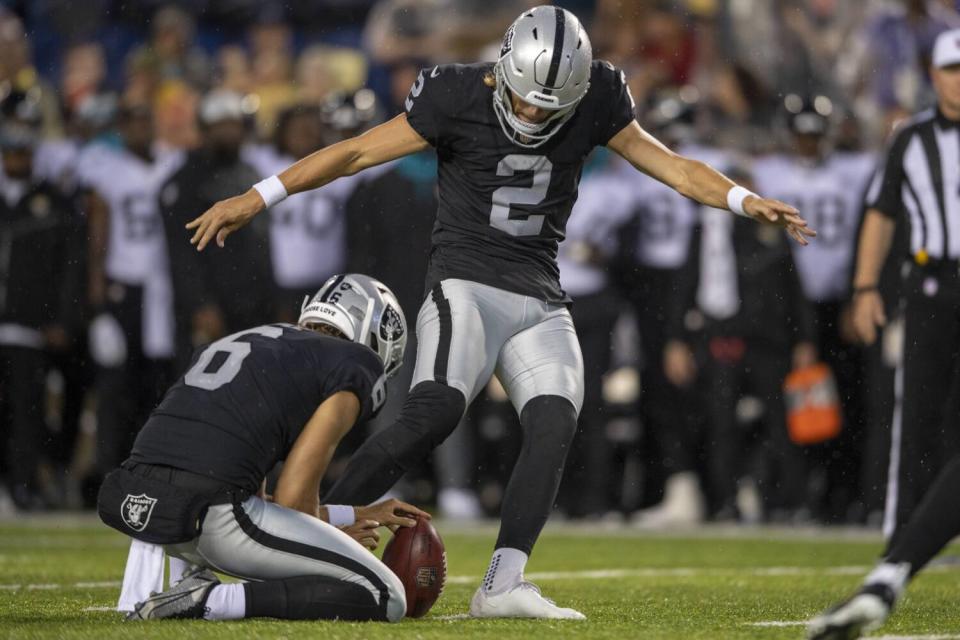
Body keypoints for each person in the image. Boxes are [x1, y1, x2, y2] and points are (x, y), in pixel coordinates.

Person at [185, 6, 813, 619]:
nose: (535, 111)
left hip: (541, 290)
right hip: (466, 279)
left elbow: (674, 168)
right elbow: (353, 153)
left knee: (553, 423)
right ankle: (300, 538)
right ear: (503, 69)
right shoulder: (455, 92)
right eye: (525, 98)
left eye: (550, 103)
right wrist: (258, 195)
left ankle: (503, 583)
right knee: (432, 415)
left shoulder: (598, 93)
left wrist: (742, 199)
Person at [98, 274, 423, 622]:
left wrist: (355, 514)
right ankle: (210, 600)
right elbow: (292, 501)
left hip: (144, 507)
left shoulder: (256, 341)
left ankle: (191, 582)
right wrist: (336, 539)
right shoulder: (355, 364)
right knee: (386, 594)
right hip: (206, 514)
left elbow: (261, 505)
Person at [807, 28, 960, 640]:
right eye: (951, 69)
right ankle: (901, 546)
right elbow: (882, 212)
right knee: (917, 414)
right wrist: (866, 287)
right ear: (934, 74)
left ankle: (897, 566)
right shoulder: (912, 139)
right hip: (928, 287)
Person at [82, 102, 184, 492]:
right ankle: (111, 470)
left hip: (164, 286)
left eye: (146, 120)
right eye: (133, 121)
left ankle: (153, 470)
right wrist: (97, 300)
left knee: (159, 381)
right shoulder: (106, 167)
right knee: (116, 383)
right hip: (125, 285)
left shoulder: (171, 163)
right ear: (121, 126)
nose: (141, 128)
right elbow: (97, 232)